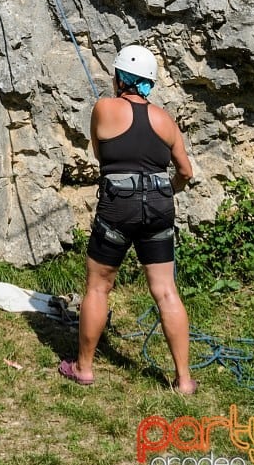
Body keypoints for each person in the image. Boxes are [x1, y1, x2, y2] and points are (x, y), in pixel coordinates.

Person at [58, 44, 196, 394]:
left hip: (118, 208)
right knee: (166, 291)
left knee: (98, 287)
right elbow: (185, 171)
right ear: (149, 82)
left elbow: (99, 152)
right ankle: (183, 380)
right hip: (159, 208)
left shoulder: (104, 108)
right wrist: (169, 191)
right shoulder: (166, 120)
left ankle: (84, 368)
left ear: (119, 77)